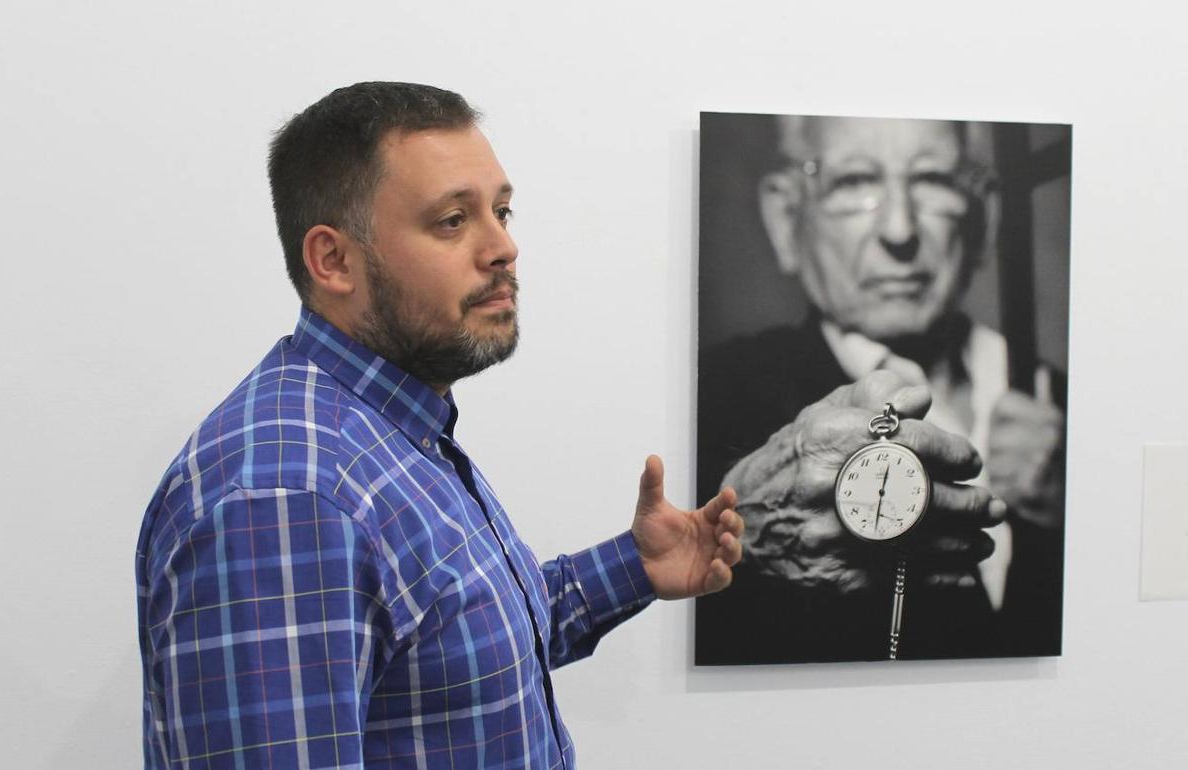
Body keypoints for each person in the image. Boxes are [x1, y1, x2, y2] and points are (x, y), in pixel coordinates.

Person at [134, 82, 747, 769]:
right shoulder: (287, 496)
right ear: (333, 260)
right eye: (453, 220)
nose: (502, 249)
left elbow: (450, 652)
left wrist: (633, 566)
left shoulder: (392, 431)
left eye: (503, 212)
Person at [695, 115, 1066, 664]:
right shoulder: (715, 399)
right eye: (854, 182)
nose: (900, 230)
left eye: (934, 180)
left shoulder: (1060, 399)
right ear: (785, 217)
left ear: (984, 214)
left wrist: (1072, 515)